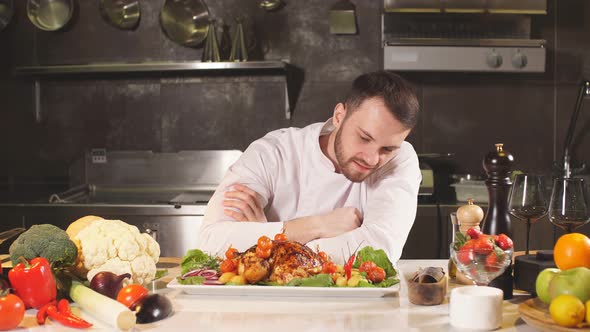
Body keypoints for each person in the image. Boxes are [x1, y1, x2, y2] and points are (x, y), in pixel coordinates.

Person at [197, 70, 421, 264]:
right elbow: (210, 242)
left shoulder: (401, 159)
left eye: (387, 149)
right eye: (364, 138)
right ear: (339, 116)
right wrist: (316, 225)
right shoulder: (274, 152)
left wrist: (269, 247)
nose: (372, 159)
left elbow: (379, 251)